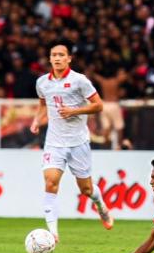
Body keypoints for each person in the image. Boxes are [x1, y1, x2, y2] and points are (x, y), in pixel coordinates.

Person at [30, 39, 114, 242]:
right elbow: (43, 104)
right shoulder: (42, 82)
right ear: (50, 59)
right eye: (54, 55)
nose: (57, 58)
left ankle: (100, 204)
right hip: (54, 142)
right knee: (50, 182)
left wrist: (74, 111)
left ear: (69, 58)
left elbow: (99, 105)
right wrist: (36, 120)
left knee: (86, 189)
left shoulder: (80, 81)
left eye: (61, 55)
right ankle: (52, 232)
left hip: (78, 143)